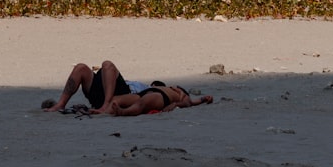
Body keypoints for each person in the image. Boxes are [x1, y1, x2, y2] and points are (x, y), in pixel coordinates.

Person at [44, 60, 213, 116]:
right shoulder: (146, 87)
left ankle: (106, 106)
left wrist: (201, 99)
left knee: (107, 65)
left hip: (121, 94)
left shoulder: (156, 91)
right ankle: (60, 104)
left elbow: (186, 102)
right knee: (81, 67)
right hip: (107, 90)